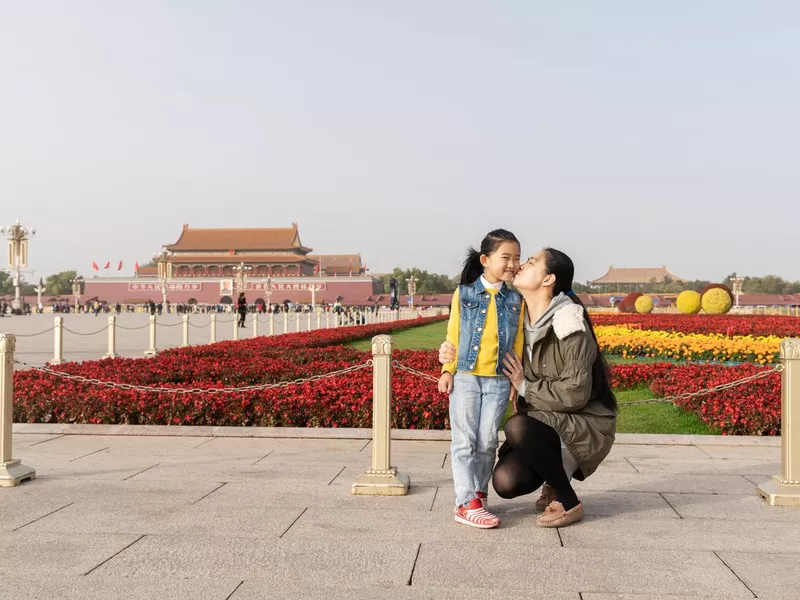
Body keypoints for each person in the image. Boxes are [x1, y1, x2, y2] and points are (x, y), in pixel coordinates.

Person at [439, 248, 617, 529]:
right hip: (543, 423)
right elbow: (474, 336)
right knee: (505, 482)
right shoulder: (515, 316)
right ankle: (554, 481)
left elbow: (576, 393)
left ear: (548, 280)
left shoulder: (569, 324)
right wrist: (450, 353)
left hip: (583, 424)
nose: (521, 265)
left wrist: (524, 386)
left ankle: (567, 498)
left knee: (517, 426)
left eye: (532, 262)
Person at [437, 229, 524, 529]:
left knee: (487, 442)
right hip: (465, 378)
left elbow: (519, 342)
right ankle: (464, 504)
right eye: (506, 258)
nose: (513, 264)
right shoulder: (464, 293)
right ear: (486, 260)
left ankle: (478, 494)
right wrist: (446, 371)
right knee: (464, 442)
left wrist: (515, 381)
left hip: (498, 381)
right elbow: (453, 335)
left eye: (517, 258)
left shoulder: (515, 299)